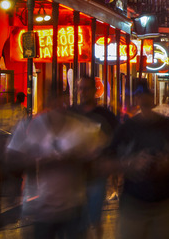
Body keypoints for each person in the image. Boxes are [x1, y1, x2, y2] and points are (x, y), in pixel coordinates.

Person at [6, 90, 106, 239]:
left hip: (72, 207)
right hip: (41, 209)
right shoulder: (31, 126)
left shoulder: (79, 127)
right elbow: (11, 160)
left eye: (62, 102)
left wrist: (76, 159)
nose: (59, 106)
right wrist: (38, 161)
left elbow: (97, 161)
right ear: (47, 102)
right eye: (55, 102)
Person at [108, 83, 169, 239]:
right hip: (134, 204)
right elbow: (103, 163)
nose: (142, 99)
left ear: (153, 98)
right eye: (138, 96)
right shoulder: (126, 129)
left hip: (166, 204)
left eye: (146, 95)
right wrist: (131, 163)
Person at [74, 76, 119, 239]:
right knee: (77, 220)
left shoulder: (105, 115)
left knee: (95, 219)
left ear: (94, 90)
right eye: (80, 88)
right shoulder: (72, 113)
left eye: (86, 88)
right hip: (74, 176)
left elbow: (116, 140)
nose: (82, 92)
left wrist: (110, 161)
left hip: (96, 175)